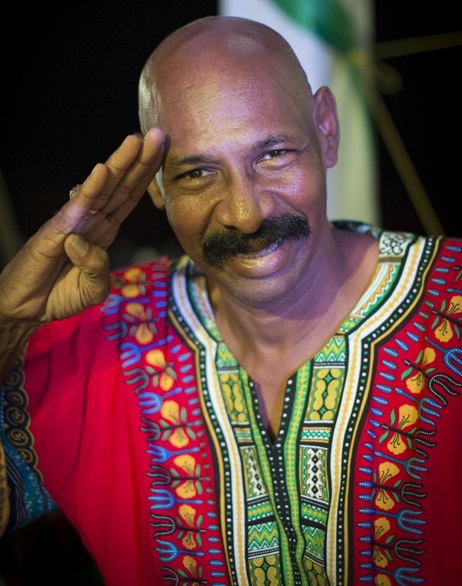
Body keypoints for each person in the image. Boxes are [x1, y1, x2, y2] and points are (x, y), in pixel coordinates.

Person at [0, 14, 461, 586]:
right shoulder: (97, 340)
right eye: (197, 173)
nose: (246, 213)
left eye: (273, 155)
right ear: (156, 185)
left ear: (326, 129)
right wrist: (8, 321)